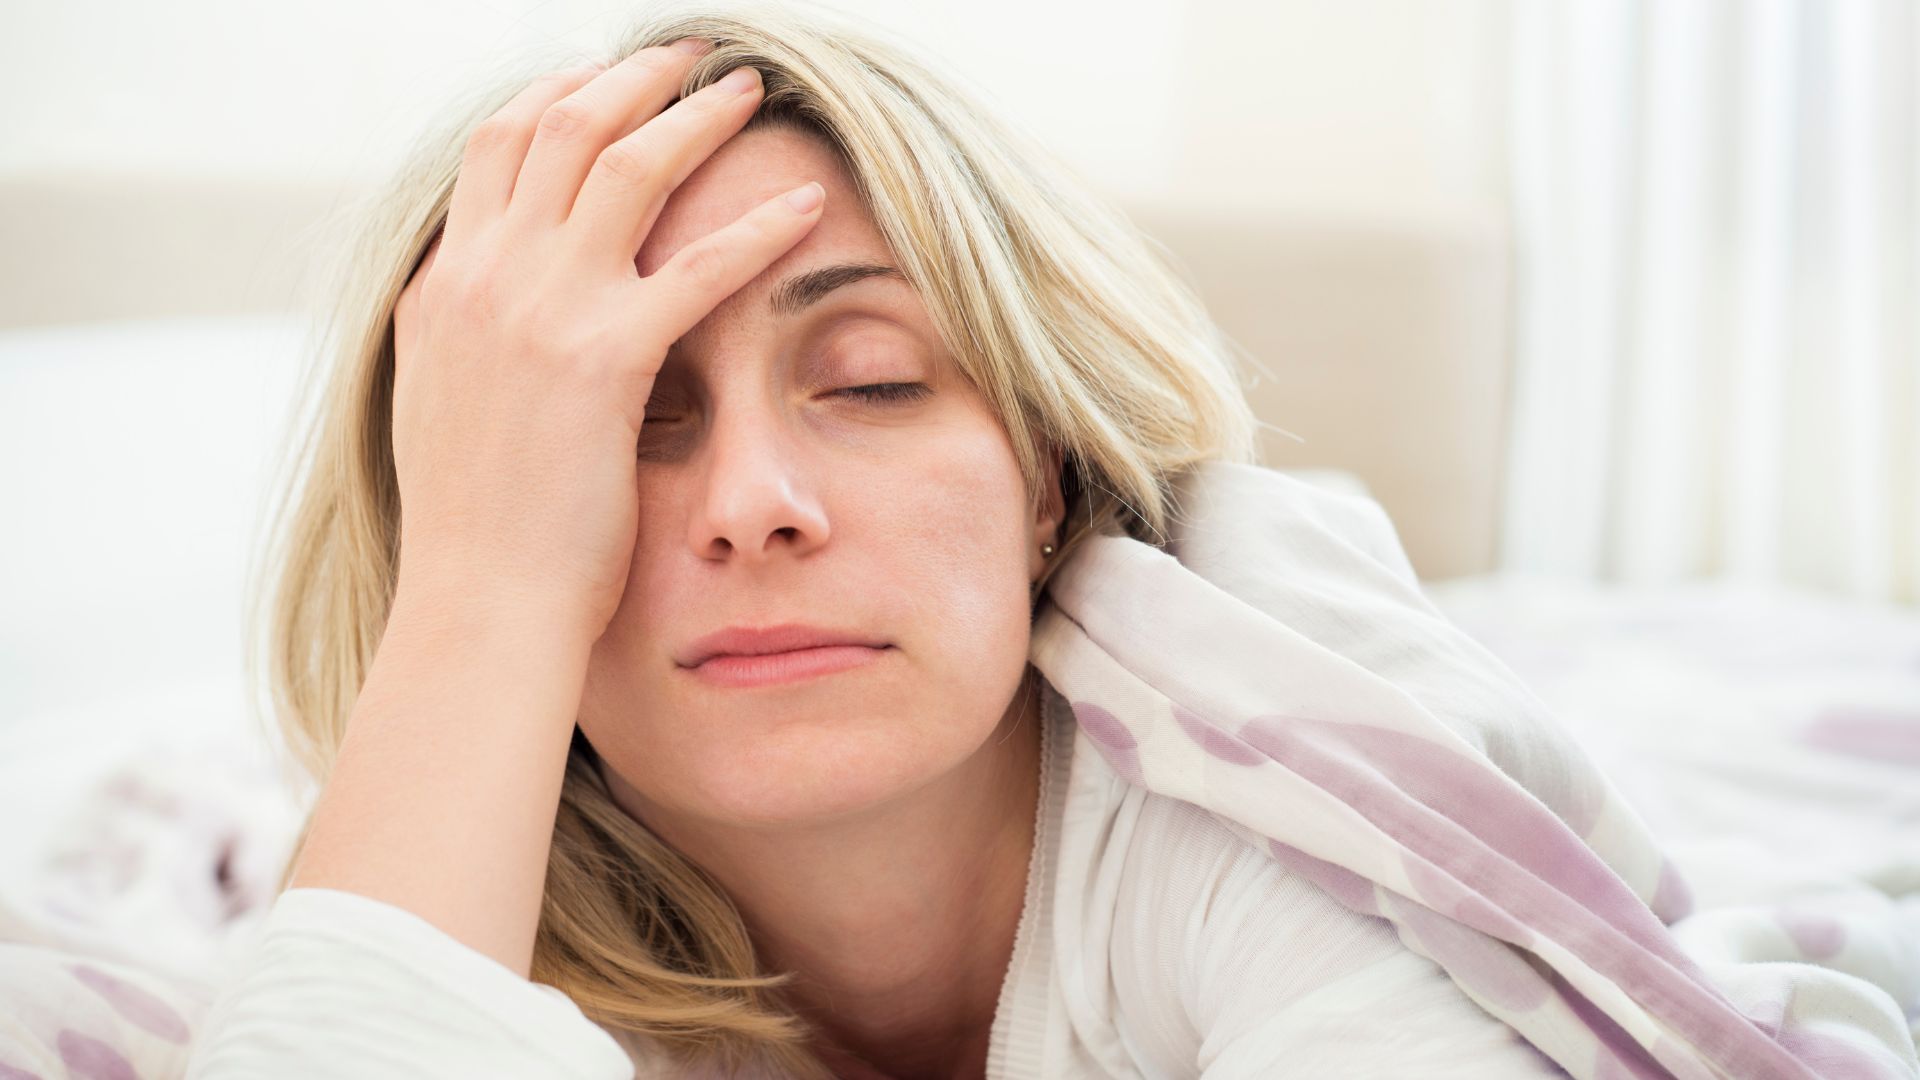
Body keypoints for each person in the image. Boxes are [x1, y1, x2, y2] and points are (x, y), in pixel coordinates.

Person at [186, 3, 1569, 1077]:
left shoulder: (1262, 796)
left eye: (869, 381)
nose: (753, 501)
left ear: (1044, 472)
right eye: (624, 416)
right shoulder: (451, 895)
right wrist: (485, 591)